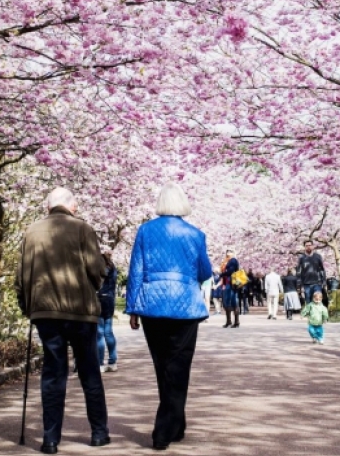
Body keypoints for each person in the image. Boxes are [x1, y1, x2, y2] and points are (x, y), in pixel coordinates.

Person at [15, 187, 110, 454]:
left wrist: (28, 307)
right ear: (72, 206)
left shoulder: (31, 231)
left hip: (45, 312)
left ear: (48, 206)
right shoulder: (83, 229)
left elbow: (21, 276)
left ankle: (50, 439)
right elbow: (96, 271)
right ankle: (99, 433)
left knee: (53, 373)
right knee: (89, 370)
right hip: (80, 312)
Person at [126, 183, 214, 451]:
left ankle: (177, 423)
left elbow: (135, 271)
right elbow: (205, 271)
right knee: (178, 367)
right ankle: (163, 431)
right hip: (185, 307)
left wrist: (132, 308)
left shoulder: (145, 230)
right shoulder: (195, 234)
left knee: (162, 366)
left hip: (152, 305)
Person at [98, 246, 119, 373]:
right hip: (110, 301)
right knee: (108, 332)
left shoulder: (101, 270)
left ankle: (100, 362)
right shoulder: (113, 268)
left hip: (99, 300)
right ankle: (112, 361)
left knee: (99, 333)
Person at [297, 239, 326, 307]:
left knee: (318, 299)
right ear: (304, 247)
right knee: (308, 300)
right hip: (306, 284)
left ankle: (317, 315)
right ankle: (311, 316)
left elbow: (322, 269)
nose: (308, 247)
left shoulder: (318, 256)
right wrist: (299, 285)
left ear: (312, 246)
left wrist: (324, 281)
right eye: (306, 246)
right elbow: (298, 272)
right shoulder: (301, 258)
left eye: (310, 245)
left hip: (317, 283)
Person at [219, 249, 241, 328]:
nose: (228, 253)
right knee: (226, 303)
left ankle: (236, 321)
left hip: (230, 283)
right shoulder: (227, 261)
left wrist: (222, 274)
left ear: (233, 253)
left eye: (230, 251)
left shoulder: (233, 260)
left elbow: (231, 271)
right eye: (227, 251)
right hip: (227, 283)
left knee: (232, 302)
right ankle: (229, 321)